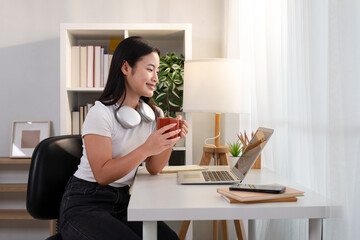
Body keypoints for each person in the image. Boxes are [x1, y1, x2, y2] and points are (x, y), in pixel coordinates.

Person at [59, 36, 188, 240]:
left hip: (124, 201)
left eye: (157, 71)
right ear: (126, 68)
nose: (156, 77)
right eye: (149, 69)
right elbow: (102, 175)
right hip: (85, 202)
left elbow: (154, 168)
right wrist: (146, 148)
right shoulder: (100, 113)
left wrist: (169, 140)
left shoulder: (153, 114)